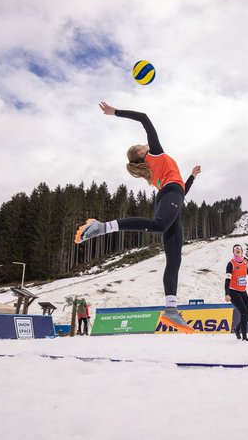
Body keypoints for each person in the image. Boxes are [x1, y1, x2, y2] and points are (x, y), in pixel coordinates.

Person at [74, 101, 196, 333]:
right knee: (160, 226)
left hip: (172, 197)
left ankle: (171, 309)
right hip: (170, 195)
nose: (145, 143)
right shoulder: (156, 153)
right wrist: (115, 112)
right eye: (141, 145)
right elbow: (144, 117)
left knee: (174, 259)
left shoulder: (152, 170)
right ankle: (103, 227)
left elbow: (181, 192)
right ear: (141, 153)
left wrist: (191, 177)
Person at [225, 244, 248, 342]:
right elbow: (227, 280)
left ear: (242, 251)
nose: (237, 250)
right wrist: (227, 294)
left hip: (243, 291)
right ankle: (244, 337)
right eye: (235, 249)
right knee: (244, 312)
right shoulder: (230, 264)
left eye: (239, 249)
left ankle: (237, 329)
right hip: (233, 292)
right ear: (233, 252)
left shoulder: (246, 262)